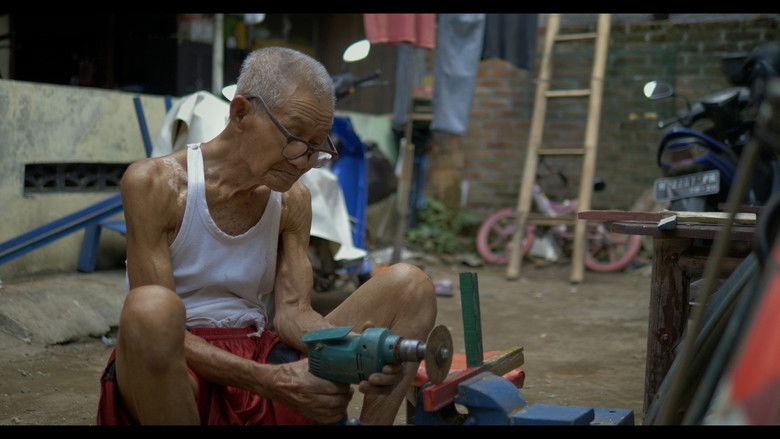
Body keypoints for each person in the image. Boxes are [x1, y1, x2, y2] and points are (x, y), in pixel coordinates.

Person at [96, 47, 437, 425]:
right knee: (149, 310)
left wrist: (361, 350)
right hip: (174, 365)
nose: (304, 161)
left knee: (412, 286)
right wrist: (268, 380)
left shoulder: (292, 199)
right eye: (295, 138)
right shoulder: (155, 183)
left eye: (317, 147)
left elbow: (293, 314)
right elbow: (153, 332)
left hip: (257, 349)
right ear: (240, 112)